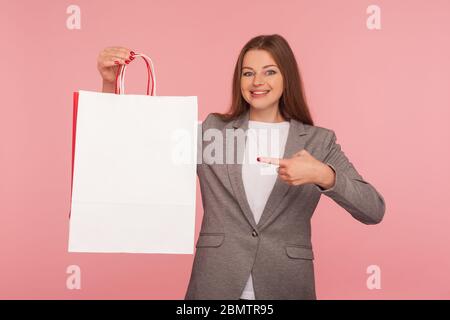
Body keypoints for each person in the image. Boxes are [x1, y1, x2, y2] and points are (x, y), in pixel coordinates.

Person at [97, 34, 386, 300]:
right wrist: (110, 86)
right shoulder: (211, 131)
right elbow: (136, 155)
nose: (257, 81)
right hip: (215, 286)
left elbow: (373, 210)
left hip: (286, 286)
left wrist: (322, 175)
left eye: (269, 71)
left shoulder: (318, 142)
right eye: (248, 73)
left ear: (288, 78)